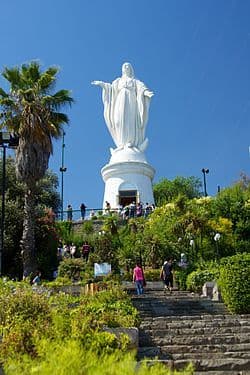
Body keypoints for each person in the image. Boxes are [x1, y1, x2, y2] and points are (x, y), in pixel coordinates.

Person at [92, 62, 154, 153]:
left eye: (128, 66)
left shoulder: (134, 81)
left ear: (131, 69)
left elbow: (141, 88)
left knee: (130, 120)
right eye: (124, 66)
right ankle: (121, 143)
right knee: (118, 120)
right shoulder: (118, 81)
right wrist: (102, 85)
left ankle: (129, 142)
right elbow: (111, 89)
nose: (126, 67)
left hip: (131, 100)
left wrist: (146, 93)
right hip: (120, 100)